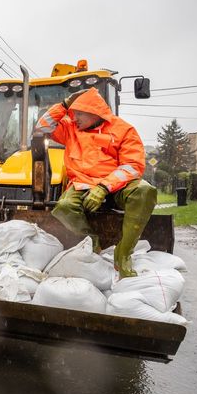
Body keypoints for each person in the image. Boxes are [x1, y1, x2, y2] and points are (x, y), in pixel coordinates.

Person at [35, 87, 157, 278]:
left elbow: (132, 166)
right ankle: (92, 242)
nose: (74, 118)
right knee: (64, 206)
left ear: (94, 112)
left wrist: (103, 187)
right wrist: (65, 105)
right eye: (72, 114)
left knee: (145, 191)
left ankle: (123, 254)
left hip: (117, 187)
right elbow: (42, 127)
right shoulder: (70, 129)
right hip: (82, 185)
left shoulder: (124, 130)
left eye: (78, 114)